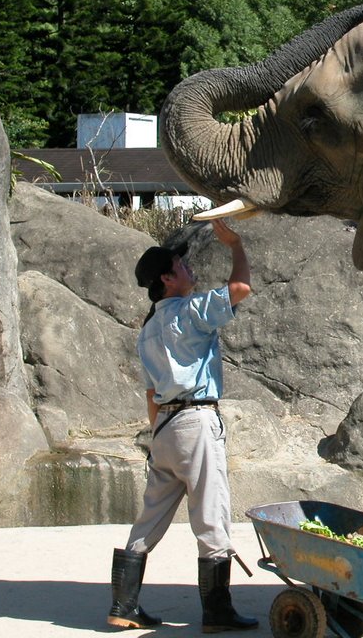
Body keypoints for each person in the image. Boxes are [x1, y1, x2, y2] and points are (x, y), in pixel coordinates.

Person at [107, 219, 258, 632]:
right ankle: (217, 612)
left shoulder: (148, 330)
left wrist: (158, 441)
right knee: (211, 515)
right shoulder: (190, 312)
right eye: (181, 265)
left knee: (150, 517)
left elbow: (151, 396)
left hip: (166, 428)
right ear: (167, 279)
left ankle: (124, 604)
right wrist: (237, 245)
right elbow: (240, 288)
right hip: (195, 420)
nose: (190, 270)